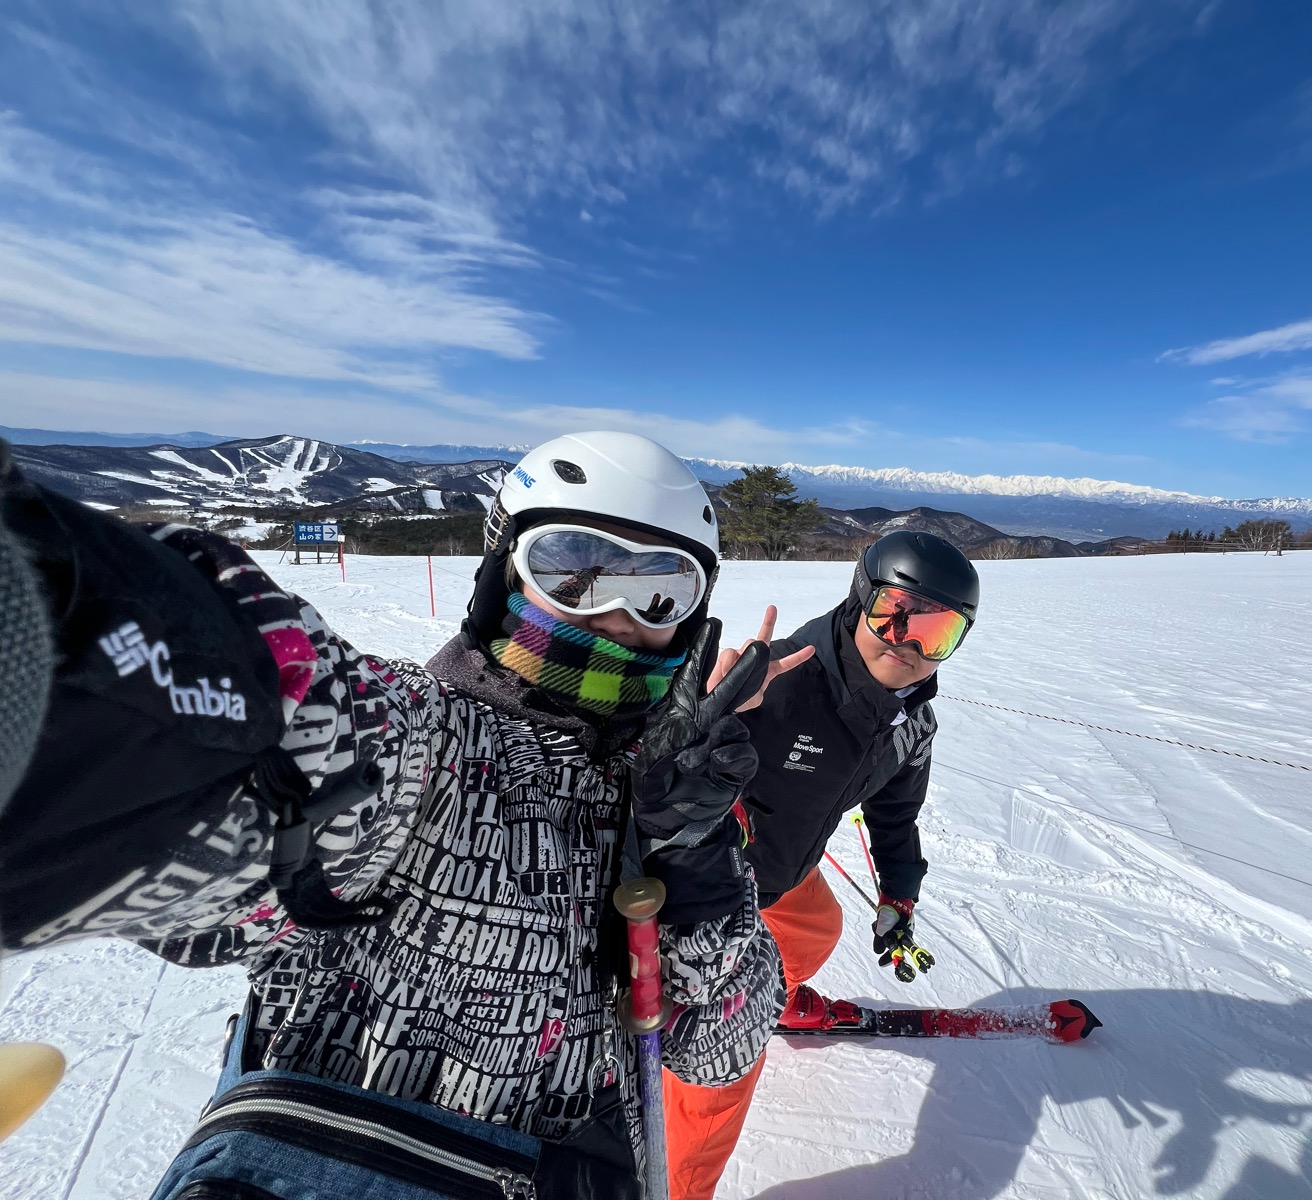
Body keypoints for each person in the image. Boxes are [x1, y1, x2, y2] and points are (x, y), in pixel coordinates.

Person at [0, 431, 812, 1198]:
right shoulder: (422, 744)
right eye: (573, 566)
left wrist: (694, 850)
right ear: (502, 572)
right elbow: (267, 722)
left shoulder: (672, 794)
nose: (613, 616)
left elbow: (721, 1047)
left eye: (660, 587)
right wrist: (58, 613)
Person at [662, 530, 981, 1200]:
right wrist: (693, 731)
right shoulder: (777, 683)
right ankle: (678, 1188)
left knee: (819, 922)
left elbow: (895, 812)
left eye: (939, 632)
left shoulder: (910, 718)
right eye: (893, 614)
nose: (909, 645)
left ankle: (772, 987)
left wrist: (899, 895)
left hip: (785, 871)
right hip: (712, 892)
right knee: (719, 1076)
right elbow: (655, 775)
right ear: (860, 598)